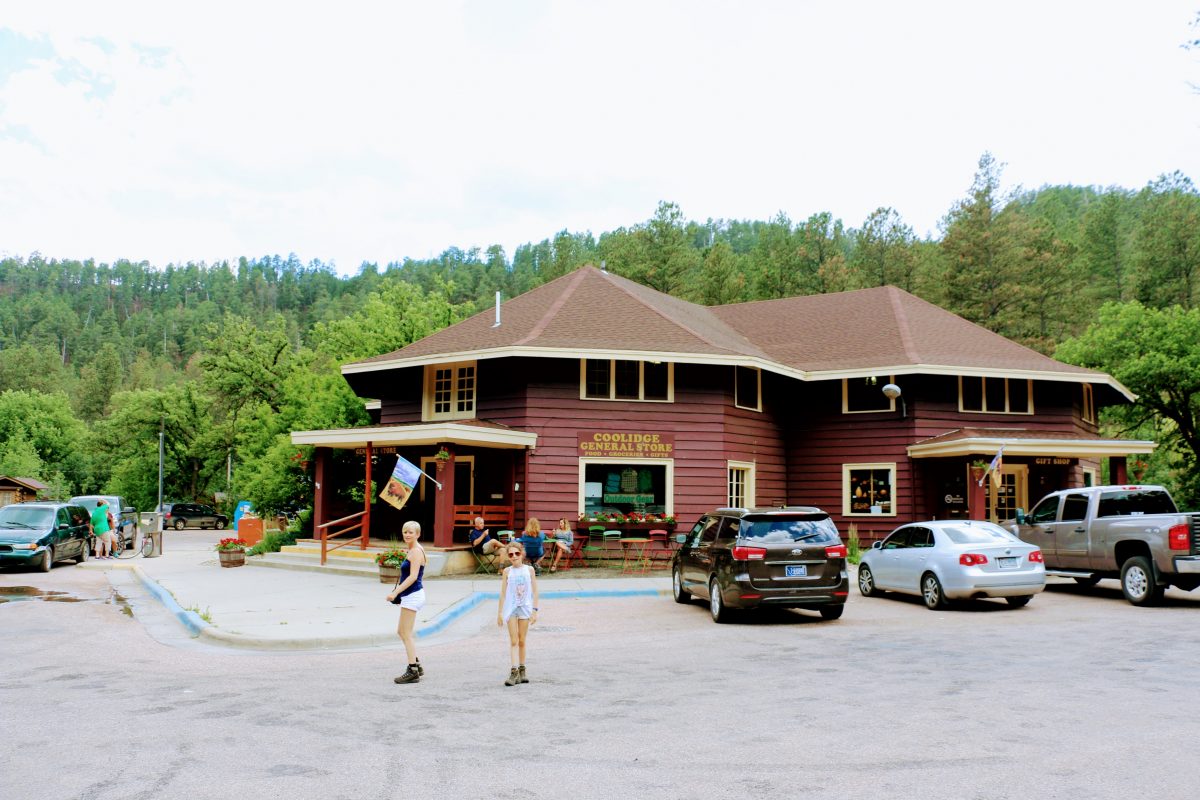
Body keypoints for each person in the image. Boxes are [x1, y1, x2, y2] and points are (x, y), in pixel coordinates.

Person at [387, 521, 427, 684]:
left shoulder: (416, 551)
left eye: (411, 532)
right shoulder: (413, 549)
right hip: (410, 595)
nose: (407, 534)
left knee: (406, 633)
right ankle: (416, 663)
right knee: (401, 631)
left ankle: (413, 671)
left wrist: (396, 592)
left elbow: (413, 576)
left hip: (413, 595)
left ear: (417, 534)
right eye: (405, 532)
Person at [497, 542, 539, 686]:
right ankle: (513, 671)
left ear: (522, 554)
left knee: (522, 640)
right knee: (513, 640)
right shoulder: (507, 572)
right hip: (511, 608)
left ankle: (522, 670)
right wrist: (500, 612)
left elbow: (535, 591)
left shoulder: (529, 570)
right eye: (511, 554)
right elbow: (503, 593)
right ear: (508, 557)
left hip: (525, 608)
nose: (514, 556)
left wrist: (535, 610)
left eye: (517, 553)